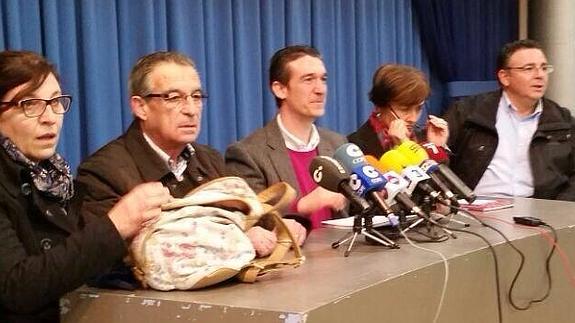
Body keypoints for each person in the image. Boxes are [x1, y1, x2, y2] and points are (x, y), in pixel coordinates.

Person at [0, 51, 171, 322]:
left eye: (56, 101)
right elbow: (16, 288)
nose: (50, 117)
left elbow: (78, 264)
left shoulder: (56, 178)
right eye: (30, 104)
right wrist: (116, 224)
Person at [75, 51, 285, 262]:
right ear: (141, 107)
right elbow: (112, 258)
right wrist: (237, 240)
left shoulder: (210, 159)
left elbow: (253, 219)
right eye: (174, 98)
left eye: (196, 97)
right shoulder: (102, 172)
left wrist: (280, 226)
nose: (191, 110)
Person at [225, 45, 347, 230]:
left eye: (323, 79)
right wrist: (303, 206)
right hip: (290, 257)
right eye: (308, 80)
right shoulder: (248, 153)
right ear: (280, 89)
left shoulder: (338, 144)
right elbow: (250, 222)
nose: (320, 89)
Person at [444, 39, 575, 200]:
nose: (540, 75)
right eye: (529, 69)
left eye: (544, 68)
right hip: (476, 209)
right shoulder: (468, 112)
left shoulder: (562, 120)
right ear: (505, 77)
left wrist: (560, 208)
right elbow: (435, 157)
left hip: (542, 213)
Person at [348, 63, 449, 159]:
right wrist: (404, 147)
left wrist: (437, 148)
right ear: (380, 106)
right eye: (405, 109)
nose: (413, 118)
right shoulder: (355, 146)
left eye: (418, 109)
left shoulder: (425, 139)